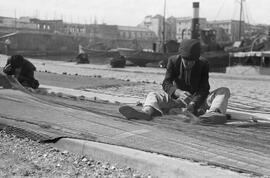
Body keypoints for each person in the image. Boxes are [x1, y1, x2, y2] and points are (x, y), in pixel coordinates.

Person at [119, 39, 230, 123]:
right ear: (181, 57)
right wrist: (178, 92)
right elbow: (166, 84)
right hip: (176, 101)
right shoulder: (173, 61)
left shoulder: (203, 64)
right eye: (186, 61)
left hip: (198, 102)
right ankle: (146, 112)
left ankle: (213, 114)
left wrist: (193, 104)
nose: (189, 64)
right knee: (152, 95)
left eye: (193, 61)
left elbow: (204, 89)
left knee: (224, 91)